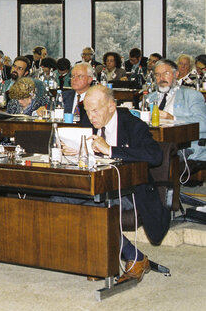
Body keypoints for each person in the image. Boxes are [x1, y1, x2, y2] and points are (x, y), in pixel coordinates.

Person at [69, 85, 163, 283]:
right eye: (87, 110)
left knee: (93, 209)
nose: (90, 116)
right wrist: (74, 150)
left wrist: (111, 150)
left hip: (129, 190)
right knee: (58, 199)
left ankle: (132, 257)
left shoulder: (133, 125)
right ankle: (106, 255)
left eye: (95, 110)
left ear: (111, 106)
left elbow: (155, 155)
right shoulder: (88, 121)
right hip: (97, 184)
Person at [147, 60, 206, 162]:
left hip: (185, 148)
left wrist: (173, 118)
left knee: (158, 156)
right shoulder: (149, 98)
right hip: (156, 144)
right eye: (157, 75)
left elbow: (203, 124)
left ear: (176, 74)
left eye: (166, 73)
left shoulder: (190, 95)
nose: (161, 78)